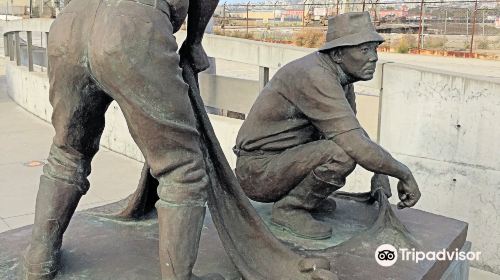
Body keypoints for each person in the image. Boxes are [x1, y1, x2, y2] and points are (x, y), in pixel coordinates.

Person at [22, 0, 222, 279]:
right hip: (133, 26)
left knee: (67, 151)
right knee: (182, 168)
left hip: (69, 25)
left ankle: (39, 259)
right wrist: (195, 41)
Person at [233, 12, 421, 240]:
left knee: (342, 146)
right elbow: (353, 145)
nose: (373, 58)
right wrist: (404, 173)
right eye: (364, 50)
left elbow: (354, 133)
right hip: (259, 172)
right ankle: (290, 208)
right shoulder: (315, 75)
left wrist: (381, 172)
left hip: (282, 162)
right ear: (339, 53)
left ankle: (302, 199)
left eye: (374, 49)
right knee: (341, 154)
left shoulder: (341, 77)